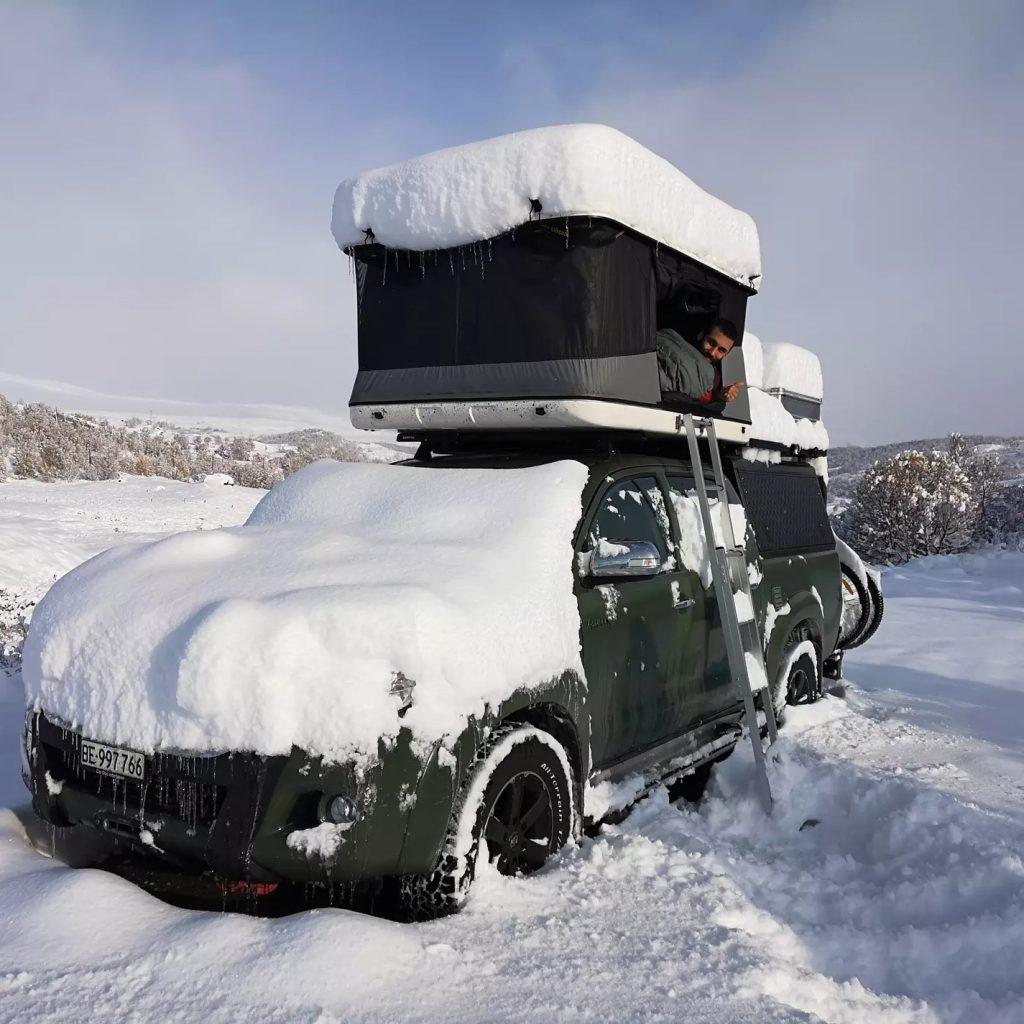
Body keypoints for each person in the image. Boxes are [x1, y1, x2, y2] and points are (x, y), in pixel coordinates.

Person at [656, 318, 745, 407]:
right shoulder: (676, 341)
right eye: (711, 343)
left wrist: (720, 396)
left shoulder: (714, 378)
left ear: (726, 355)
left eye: (721, 350)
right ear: (702, 335)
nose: (712, 352)